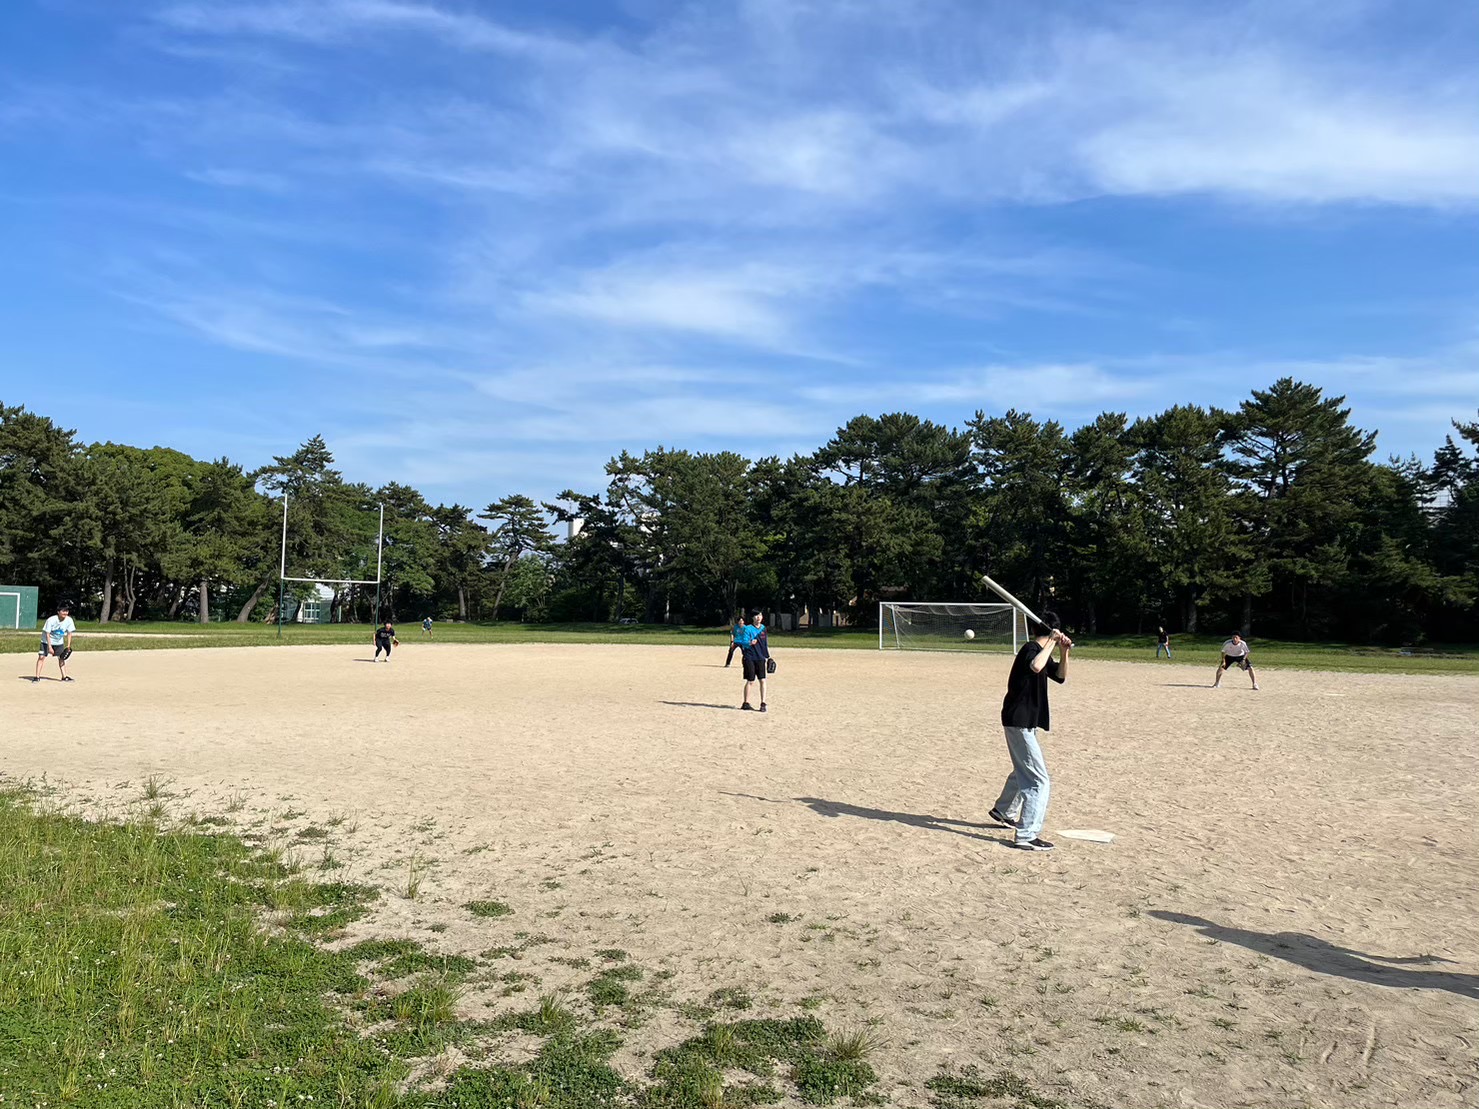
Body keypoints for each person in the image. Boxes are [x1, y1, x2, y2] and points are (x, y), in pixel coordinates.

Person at [989, 611, 1072, 852]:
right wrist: (1053, 641)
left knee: (1023, 769)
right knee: (1038, 780)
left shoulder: (1042, 652)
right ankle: (1027, 834)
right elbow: (1036, 666)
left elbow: (1060, 676)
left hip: (1024, 721)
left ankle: (1003, 810)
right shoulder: (1030, 650)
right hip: (1018, 720)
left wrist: (1064, 651)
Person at [736, 609, 771, 712]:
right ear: (752, 618)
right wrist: (749, 642)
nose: (758, 617)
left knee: (762, 680)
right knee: (750, 680)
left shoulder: (763, 628)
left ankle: (763, 703)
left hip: (760, 657)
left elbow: (765, 644)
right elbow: (741, 641)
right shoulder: (748, 629)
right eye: (756, 616)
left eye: (760, 615)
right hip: (750, 657)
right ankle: (746, 703)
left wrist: (768, 656)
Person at [33, 601, 76, 683]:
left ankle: (64, 677)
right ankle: (37, 677)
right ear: (58, 612)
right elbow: (47, 634)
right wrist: (50, 647)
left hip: (59, 642)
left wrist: (68, 646)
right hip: (46, 642)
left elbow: (69, 633)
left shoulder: (69, 620)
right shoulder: (51, 620)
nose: (65, 613)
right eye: (63, 611)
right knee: (41, 657)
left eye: (67, 611)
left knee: (61, 658)